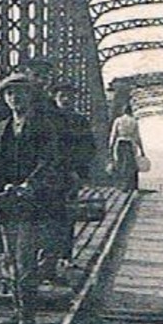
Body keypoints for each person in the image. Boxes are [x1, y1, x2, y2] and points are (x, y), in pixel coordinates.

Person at [0, 71, 65, 324]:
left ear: (30, 96)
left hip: (32, 200)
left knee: (25, 258)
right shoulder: (0, 130)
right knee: (8, 259)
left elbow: (49, 161)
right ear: (4, 98)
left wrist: (31, 184)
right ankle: (18, 311)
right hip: (6, 200)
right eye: (9, 93)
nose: (14, 98)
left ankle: (28, 315)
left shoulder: (44, 127)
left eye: (20, 93)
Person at [46, 82, 96, 274]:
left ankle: (65, 256)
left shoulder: (80, 120)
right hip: (48, 175)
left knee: (67, 216)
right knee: (49, 217)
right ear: (55, 98)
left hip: (69, 175)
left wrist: (79, 172)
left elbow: (89, 147)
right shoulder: (46, 119)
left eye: (69, 96)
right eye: (62, 96)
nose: (66, 99)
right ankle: (49, 258)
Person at [106, 100, 145, 192]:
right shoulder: (134, 121)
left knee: (121, 164)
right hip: (130, 143)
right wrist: (142, 150)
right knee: (130, 165)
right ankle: (131, 185)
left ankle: (122, 185)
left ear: (123, 111)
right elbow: (137, 136)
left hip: (121, 143)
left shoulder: (118, 120)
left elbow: (113, 134)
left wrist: (110, 147)